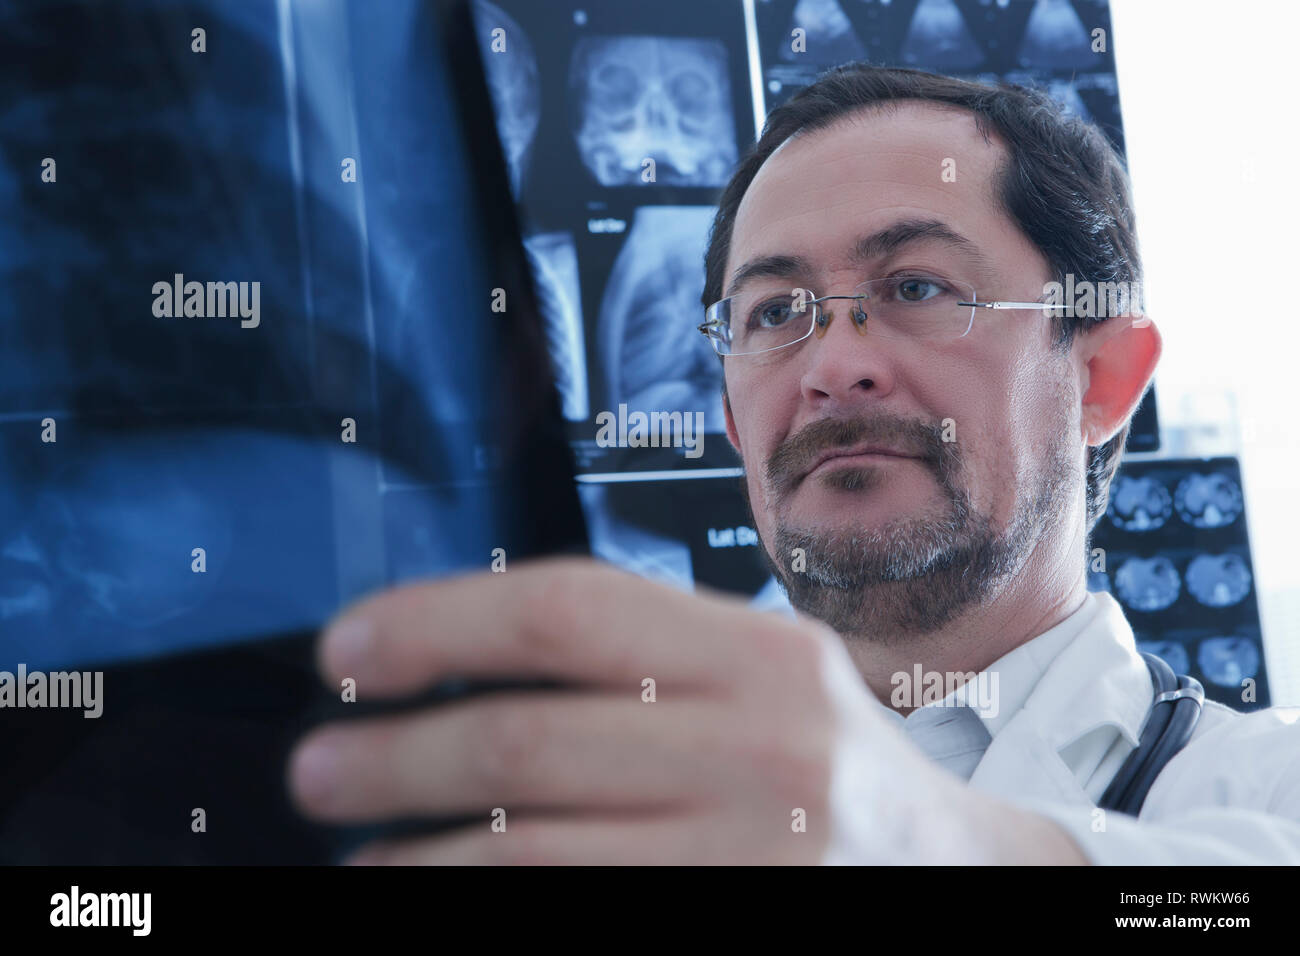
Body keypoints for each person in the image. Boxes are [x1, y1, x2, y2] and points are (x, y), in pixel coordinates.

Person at [286, 64, 1300, 864]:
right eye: (774, 312)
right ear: (733, 418)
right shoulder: (610, 819)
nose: (831, 366)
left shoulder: (1261, 787)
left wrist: (907, 835)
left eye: (915, 287)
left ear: (1102, 377)